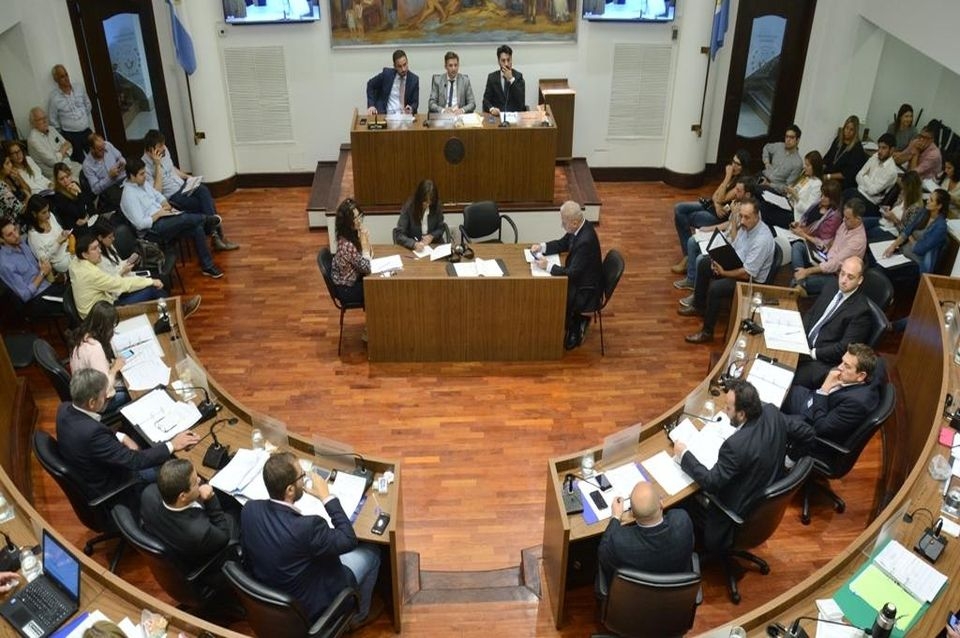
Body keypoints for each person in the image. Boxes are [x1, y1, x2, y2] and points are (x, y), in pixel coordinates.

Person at [240, 452, 382, 629]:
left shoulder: (250, 509)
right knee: (372, 553)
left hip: (271, 594)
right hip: (311, 605)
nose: (304, 479)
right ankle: (358, 617)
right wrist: (326, 497)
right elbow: (348, 539)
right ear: (290, 490)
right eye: (302, 476)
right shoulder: (307, 528)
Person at [673, 379, 814, 552]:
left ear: (741, 414)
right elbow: (808, 433)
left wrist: (684, 455)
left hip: (734, 514)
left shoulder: (735, 446)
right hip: (762, 495)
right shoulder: (771, 412)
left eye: (728, 408)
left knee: (682, 500)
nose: (725, 412)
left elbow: (710, 482)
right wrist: (788, 461)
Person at [56, 368, 199, 501]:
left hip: (95, 465)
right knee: (173, 467)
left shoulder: (64, 408)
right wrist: (172, 444)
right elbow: (134, 461)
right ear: (92, 402)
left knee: (143, 442)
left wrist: (121, 436)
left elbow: (93, 428)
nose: (108, 396)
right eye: (104, 395)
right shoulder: (92, 434)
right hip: (118, 481)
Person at [679, 197, 775, 344]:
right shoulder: (745, 226)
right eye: (740, 216)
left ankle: (707, 332)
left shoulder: (762, 240)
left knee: (716, 288)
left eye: (746, 217)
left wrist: (724, 272)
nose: (742, 220)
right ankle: (699, 305)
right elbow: (736, 247)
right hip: (738, 264)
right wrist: (717, 260)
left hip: (750, 281)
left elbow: (747, 273)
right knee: (704, 263)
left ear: (757, 217)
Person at [120, 157, 224, 279]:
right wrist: (158, 214)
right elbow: (140, 224)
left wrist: (165, 203)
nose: (145, 176)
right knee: (184, 218)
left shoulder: (142, 183)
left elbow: (157, 195)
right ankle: (207, 220)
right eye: (142, 174)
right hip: (152, 230)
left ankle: (207, 266)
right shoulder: (129, 196)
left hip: (164, 217)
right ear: (132, 176)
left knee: (196, 228)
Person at [141, 458, 239, 582]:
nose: (199, 480)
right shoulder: (199, 532)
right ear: (182, 496)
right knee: (237, 512)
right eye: (194, 482)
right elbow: (224, 536)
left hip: (176, 541)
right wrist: (211, 499)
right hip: (208, 561)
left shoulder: (148, 494)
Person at [141, 130, 238, 251]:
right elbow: (156, 193)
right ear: (151, 150)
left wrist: (188, 177)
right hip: (173, 196)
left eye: (163, 144)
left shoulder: (164, 151)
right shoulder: (144, 167)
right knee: (205, 203)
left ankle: (215, 236)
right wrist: (157, 165)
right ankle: (217, 237)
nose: (164, 148)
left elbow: (172, 169)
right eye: (160, 146)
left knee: (203, 190)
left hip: (184, 186)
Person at [595, 481, 695, 598]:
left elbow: (603, 552)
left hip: (634, 600)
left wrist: (616, 517)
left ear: (632, 513)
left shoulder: (619, 542)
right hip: (674, 598)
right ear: (661, 503)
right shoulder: (682, 522)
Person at [531, 201, 603, 350]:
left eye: (564, 223)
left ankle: (577, 324)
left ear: (574, 222)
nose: (562, 226)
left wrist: (548, 266)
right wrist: (542, 247)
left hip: (586, 289)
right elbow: (562, 243)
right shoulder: (579, 228)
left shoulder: (585, 241)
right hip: (581, 276)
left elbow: (572, 273)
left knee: (556, 292)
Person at [793, 256, 872, 389]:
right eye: (842, 274)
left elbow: (843, 348)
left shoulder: (861, 312)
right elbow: (812, 312)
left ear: (860, 280)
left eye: (850, 277)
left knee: (787, 376)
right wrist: (801, 335)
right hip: (804, 344)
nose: (843, 280)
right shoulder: (831, 285)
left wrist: (813, 353)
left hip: (821, 360)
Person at [671, 149, 751, 274]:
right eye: (733, 162)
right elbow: (715, 196)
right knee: (679, 208)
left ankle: (688, 257)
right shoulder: (733, 177)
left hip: (718, 217)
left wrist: (727, 177)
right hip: (713, 207)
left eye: (737, 164)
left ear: (744, 167)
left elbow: (721, 198)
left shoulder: (741, 184)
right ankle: (688, 255)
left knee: (684, 217)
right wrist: (717, 204)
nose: (733, 166)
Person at [783, 343, 881, 442]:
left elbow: (820, 428)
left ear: (861, 376)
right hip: (810, 399)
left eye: (847, 366)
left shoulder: (856, 404)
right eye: (842, 362)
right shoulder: (854, 379)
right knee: (779, 385)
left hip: (808, 421)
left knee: (773, 416)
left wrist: (824, 389)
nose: (839, 367)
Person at [69, 233, 166, 318]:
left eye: (98, 246)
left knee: (144, 287)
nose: (100, 251)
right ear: (85, 255)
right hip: (101, 316)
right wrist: (151, 281)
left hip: (101, 306)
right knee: (153, 289)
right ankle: (166, 319)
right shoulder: (91, 273)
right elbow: (120, 284)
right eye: (94, 249)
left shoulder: (75, 262)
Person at [792, 198, 867, 297]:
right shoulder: (846, 224)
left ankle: (799, 281)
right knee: (798, 246)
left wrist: (807, 271)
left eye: (847, 218)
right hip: (825, 258)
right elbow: (832, 243)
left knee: (795, 281)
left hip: (836, 275)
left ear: (858, 219)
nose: (844, 220)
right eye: (844, 217)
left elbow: (835, 264)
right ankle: (800, 281)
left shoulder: (857, 241)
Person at [69, 301, 130, 414]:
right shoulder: (95, 349)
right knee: (132, 392)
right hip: (97, 403)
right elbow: (105, 389)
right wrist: (114, 369)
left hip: (84, 392)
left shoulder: (82, 335)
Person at [0, 215, 65, 317]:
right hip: (35, 299)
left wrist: (52, 275)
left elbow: (36, 269)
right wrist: (42, 273)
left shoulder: (21, 244)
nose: (16, 235)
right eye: (10, 235)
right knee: (73, 302)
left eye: (15, 230)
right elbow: (25, 295)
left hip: (47, 286)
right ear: (2, 240)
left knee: (78, 289)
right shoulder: (5, 264)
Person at [882, 188, 949, 274]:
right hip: (904, 252)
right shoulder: (923, 212)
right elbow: (907, 231)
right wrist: (893, 246)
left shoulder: (940, 227)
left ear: (939, 206)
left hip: (917, 263)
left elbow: (919, 249)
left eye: (931, 200)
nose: (927, 201)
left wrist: (910, 236)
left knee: (883, 271)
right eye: (929, 198)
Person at [760, 150, 823, 229]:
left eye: (807, 165)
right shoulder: (805, 177)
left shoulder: (817, 184)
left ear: (815, 167)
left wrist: (795, 195)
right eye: (805, 164)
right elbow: (794, 191)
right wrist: (789, 191)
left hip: (796, 214)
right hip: (787, 202)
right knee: (764, 202)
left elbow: (809, 209)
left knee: (766, 210)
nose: (804, 167)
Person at [48, 65, 93, 162]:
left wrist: (82, 119)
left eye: (66, 74)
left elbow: (88, 105)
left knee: (96, 155)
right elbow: (53, 120)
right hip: (71, 136)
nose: (66, 78)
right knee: (80, 162)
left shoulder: (79, 88)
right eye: (62, 77)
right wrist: (62, 133)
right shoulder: (54, 98)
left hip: (86, 130)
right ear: (56, 79)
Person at [786, 179, 844, 255]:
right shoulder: (818, 203)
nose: (822, 198)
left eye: (826, 196)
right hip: (802, 235)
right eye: (822, 194)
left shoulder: (835, 217)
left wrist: (803, 234)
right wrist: (799, 224)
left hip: (813, 246)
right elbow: (807, 220)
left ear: (833, 198)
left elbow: (823, 243)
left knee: (795, 247)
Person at [846, 133, 898, 218]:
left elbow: (872, 191)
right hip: (858, 192)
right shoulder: (875, 157)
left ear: (892, 150)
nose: (879, 151)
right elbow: (858, 176)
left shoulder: (891, 171)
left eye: (884, 148)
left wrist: (865, 177)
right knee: (844, 193)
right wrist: (866, 181)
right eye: (879, 147)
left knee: (848, 198)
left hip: (870, 202)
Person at [865, 171, 925, 242]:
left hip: (894, 230)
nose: (902, 190)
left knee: (868, 234)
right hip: (886, 221)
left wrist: (894, 220)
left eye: (904, 188)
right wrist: (888, 210)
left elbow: (906, 232)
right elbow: (895, 208)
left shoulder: (916, 208)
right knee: (861, 223)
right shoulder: (903, 194)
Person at [332, 198, 371, 306]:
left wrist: (365, 241)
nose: (359, 221)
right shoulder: (347, 245)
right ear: (346, 222)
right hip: (347, 289)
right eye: (355, 218)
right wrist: (364, 243)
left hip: (353, 279)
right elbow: (367, 268)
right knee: (376, 288)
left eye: (359, 216)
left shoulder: (350, 234)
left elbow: (367, 257)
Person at [26, 106, 83, 180]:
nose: (44, 121)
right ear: (33, 123)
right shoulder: (33, 140)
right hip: (55, 175)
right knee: (78, 182)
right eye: (40, 119)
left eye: (45, 117)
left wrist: (60, 154)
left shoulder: (51, 129)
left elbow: (70, 147)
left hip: (69, 165)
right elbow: (53, 161)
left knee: (86, 170)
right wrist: (63, 149)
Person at [393, 179, 447, 250]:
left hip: (434, 246)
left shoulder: (436, 206)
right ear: (419, 198)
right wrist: (414, 244)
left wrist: (432, 236)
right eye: (425, 201)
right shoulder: (409, 207)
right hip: (414, 248)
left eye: (430, 202)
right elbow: (399, 234)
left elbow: (441, 228)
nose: (428, 205)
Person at [24, 195, 72, 274]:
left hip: (69, 248)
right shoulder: (33, 236)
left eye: (48, 210)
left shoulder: (50, 216)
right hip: (60, 261)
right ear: (34, 214)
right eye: (44, 212)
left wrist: (64, 233)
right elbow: (44, 260)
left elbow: (60, 231)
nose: (48, 215)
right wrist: (57, 243)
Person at [366, 49, 419, 115]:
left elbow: (415, 103)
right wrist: (371, 105)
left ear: (407, 62)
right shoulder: (387, 74)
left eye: (405, 64)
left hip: (404, 116)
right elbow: (370, 84)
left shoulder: (414, 80)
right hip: (386, 115)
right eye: (399, 66)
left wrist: (411, 108)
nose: (403, 69)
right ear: (395, 66)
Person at [82, 134, 126, 212]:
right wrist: (109, 177)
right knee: (125, 199)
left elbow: (120, 157)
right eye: (100, 149)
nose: (104, 150)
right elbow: (95, 190)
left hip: (123, 179)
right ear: (92, 149)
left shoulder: (107, 145)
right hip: (109, 190)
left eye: (103, 147)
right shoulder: (87, 165)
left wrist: (122, 163)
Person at [822, 115, 867, 190]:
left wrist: (828, 176)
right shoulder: (838, 140)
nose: (848, 131)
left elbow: (847, 174)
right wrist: (819, 168)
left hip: (842, 181)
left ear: (855, 132)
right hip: (829, 173)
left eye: (851, 130)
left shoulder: (857, 149)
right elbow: (828, 157)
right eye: (846, 128)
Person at [52, 161, 98, 231]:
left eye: (67, 176)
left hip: (89, 220)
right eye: (61, 179)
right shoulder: (58, 197)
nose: (66, 181)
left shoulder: (74, 184)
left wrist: (87, 216)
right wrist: (79, 194)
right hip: (77, 229)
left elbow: (90, 204)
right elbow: (81, 213)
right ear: (57, 181)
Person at [482, 45, 526, 116]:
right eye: (503, 60)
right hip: (497, 116)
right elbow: (486, 101)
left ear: (511, 59)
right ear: (498, 61)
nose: (506, 64)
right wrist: (492, 109)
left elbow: (521, 102)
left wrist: (511, 79)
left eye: (508, 60)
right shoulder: (492, 77)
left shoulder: (518, 76)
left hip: (514, 117)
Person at [759, 125, 804, 191]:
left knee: (752, 190)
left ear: (797, 140)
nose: (788, 140)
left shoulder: (798, 163)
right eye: (786, 136)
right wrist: (766, 162)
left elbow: (787, 187)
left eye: (791, 137)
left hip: (773, 187)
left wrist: (769, 184)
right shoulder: (779, 146)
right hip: (763, 175)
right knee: (746, 183)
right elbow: (766, 147)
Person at [0, 146, 29, 218]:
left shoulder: (10, 176)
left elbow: (28, 190)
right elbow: (21, 210)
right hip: (15, 220)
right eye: (7, 163)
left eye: (10, 162)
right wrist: (28, 196)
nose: (11, 165)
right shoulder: (1, 188)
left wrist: (19, 178)